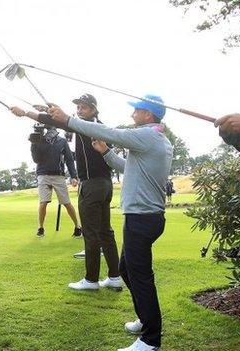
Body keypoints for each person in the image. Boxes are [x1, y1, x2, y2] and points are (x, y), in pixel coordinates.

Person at [47, 94, 172, 351]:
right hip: (145, 218)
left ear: (148, 114)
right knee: (126, 270)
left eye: (137, 110)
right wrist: (106, 152)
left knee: (140, 276)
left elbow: (107, 131)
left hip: (142, 218)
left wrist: (68, 120)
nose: (132, 114)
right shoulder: (154, 138)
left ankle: (150, 340)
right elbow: (128, 167)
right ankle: (145, 319)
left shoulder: (147, 135)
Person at [11, 93, 122, 291]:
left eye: (84, 107)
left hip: (92, 185)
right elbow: (62, 119)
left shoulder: (85, 126)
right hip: (105, 184)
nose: (79, 111)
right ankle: (114, 276)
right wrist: (48, 109)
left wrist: (26, 113)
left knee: (91, 233)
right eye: (78, 107)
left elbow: (62, 122)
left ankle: (91, 280)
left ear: (94, 109)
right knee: (106, 231)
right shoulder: (99, 125)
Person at [28, 125, 81, 237]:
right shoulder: (39, 140)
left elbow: (69, 159)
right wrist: (34, 144)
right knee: (43, 202)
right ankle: (41, 228)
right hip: (43, 174)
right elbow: (36, 159)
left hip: (59, 175)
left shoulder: (62, 141)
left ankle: (77, 226)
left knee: (66, 202)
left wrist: (73, 176)